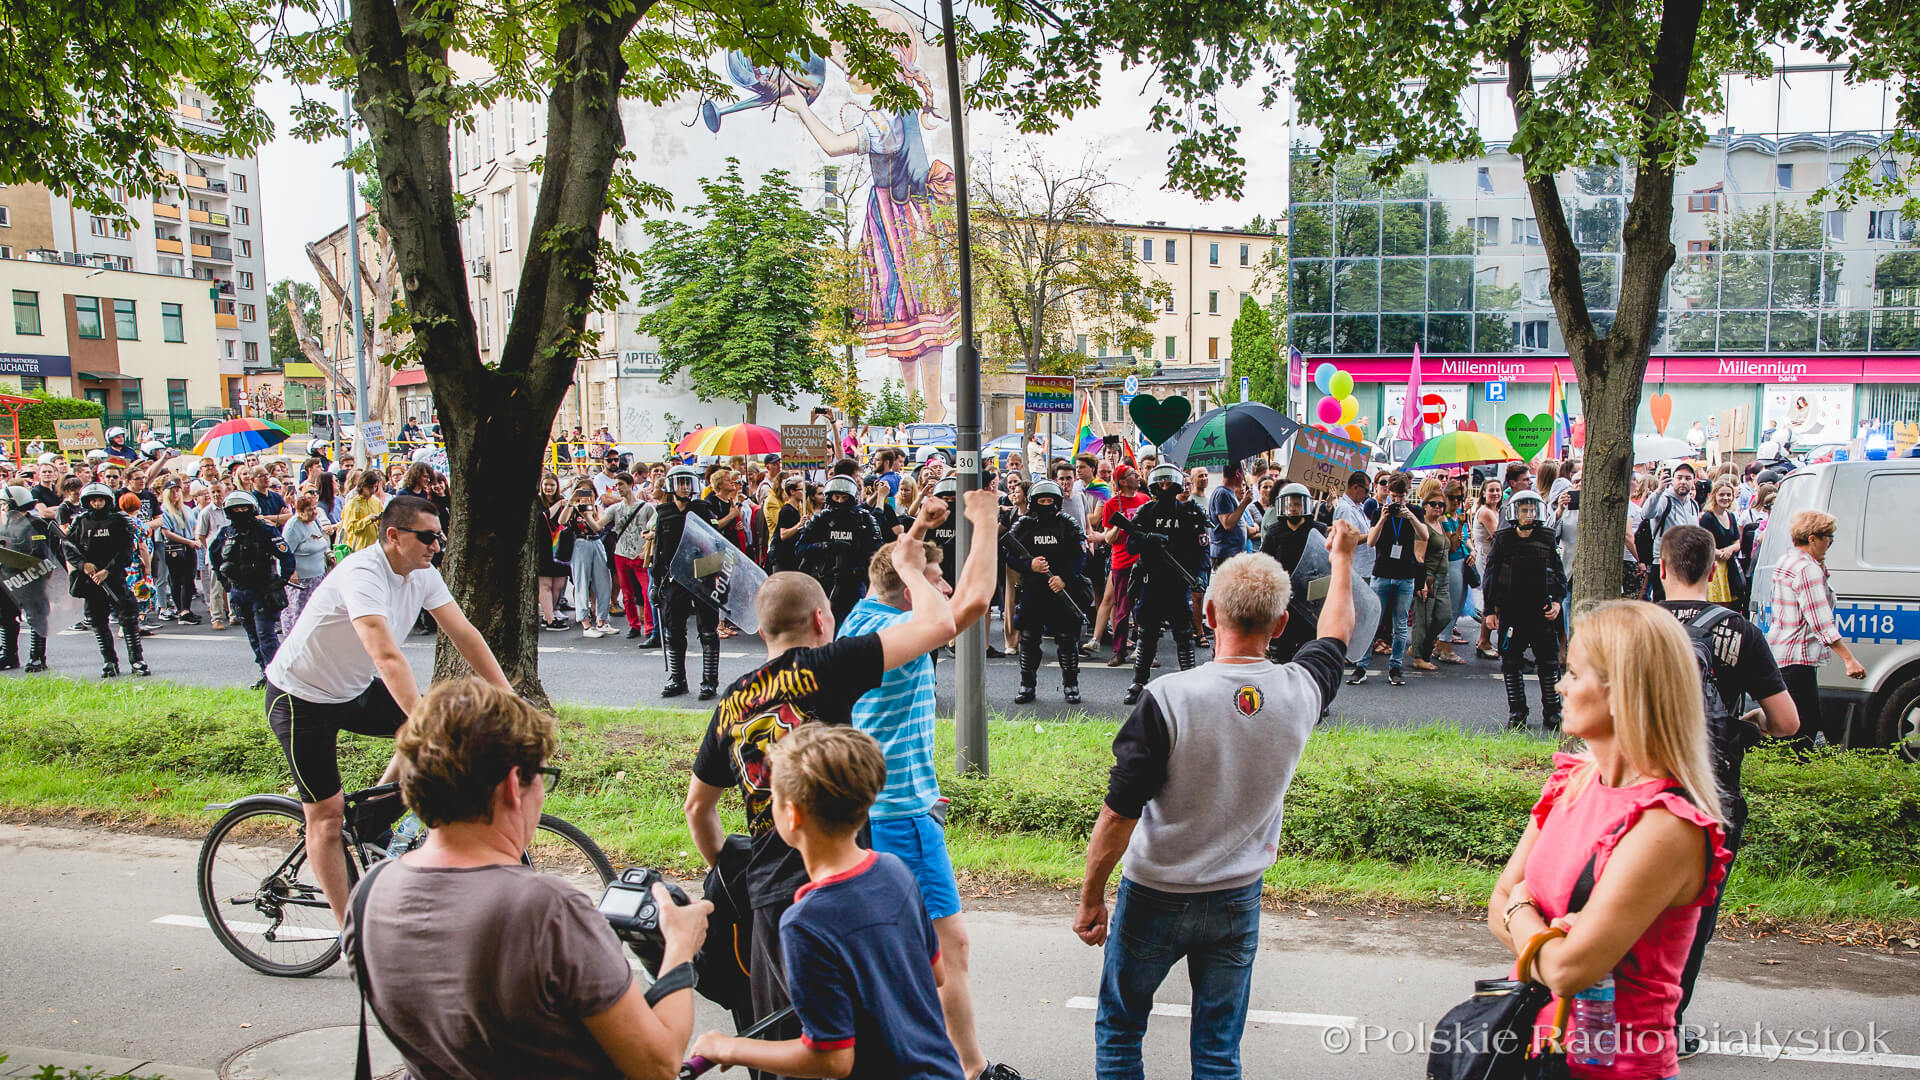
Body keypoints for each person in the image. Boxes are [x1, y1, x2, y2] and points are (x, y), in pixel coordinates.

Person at [1076, 525, 1361, 1080]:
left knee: (1121, 1028)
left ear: (1208, 614)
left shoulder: (1168, 697)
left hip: (1154, 894)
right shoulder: (1299, 690)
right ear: (1280, 625)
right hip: (1236, 899)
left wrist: (1090, 897)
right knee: (1216, 1049)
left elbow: (1119, 814)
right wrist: (1343, 561)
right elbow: (1336, 633)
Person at [683, 504, 960, 1074]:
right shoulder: (831, 664)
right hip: (838, 875)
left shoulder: (731, 702)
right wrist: (910, 568)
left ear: (760, 631)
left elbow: (698, 807)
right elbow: (940, 624)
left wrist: (738, 865)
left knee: (788, 1037)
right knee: (859, 1033)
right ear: (822, 620)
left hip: (767, 890)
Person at [345, 678, 712, 1079]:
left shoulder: (368, 894)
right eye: (542, 776)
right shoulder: (545, 909)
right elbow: (656, 1066)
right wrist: (679, 947)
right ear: (512, 786)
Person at [1487, 601, 1732, 1080]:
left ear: (1622, 692)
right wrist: (1547, 933)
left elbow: (1566, 970)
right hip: (1537, 1055)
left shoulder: (1668, 824)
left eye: (1573, 673)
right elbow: (1496, 903)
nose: (1558, 686)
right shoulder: (1571, 783)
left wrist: (1523, 912)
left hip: (1617, 1069)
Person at [265, 494, 511, 925]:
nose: (437, 546)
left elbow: (465, 633)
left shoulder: (423, 574)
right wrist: (420, 723)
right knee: (325, 817)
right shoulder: (363, 573)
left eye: (440, 537)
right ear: (394, 536)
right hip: (301, 700)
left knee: (442, 731)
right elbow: (386, 655)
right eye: (428, 537)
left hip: (352, 690)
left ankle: (371, 816)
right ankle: (351, 934)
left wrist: (507, 696)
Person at [840, 492, 1019, 1080]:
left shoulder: (861, 619)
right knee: (949, 950)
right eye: (929, 580)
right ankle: (970, 1069)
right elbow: (970, 602)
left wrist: (919, 527)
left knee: (902, 950)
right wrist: (987, 520)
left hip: (878, 812)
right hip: (901, 819)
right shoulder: (900, 631)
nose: (939, 589)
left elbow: (905, 571)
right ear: (907, 589)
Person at [690, 724, 965, 1080]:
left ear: (792, 814)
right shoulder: (895, 872)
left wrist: (730, 1047)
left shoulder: (804, 922)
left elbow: (831, 1059)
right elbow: (934, 973)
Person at [1653, 526, 1797, 1051]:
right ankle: (1666, 1025)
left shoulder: (1638, 627)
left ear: (1661, 567)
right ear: (1713, 572)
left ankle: (1617, 1011)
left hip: (1640, 794)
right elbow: (1787, 722)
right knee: (1694, 915)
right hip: (1712, 799)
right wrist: (1747, 722)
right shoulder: (1739, 631)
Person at [1765, 510, 1866, 751]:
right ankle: (1798, 778)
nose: (1830, 542)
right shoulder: (1806, 570)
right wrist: (1849, 659)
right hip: (1798, 657)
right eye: (1828, 536)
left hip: (1782, 652)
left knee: (1792, 724)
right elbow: (1820, 620)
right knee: (1804, 729)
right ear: (1813, 538)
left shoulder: (1789, 560)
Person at [1121, 464, 1210, 706]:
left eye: (1168, 483)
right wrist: (1149, 539)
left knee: (1183, 632)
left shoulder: (1191, 512)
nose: (1164, 487)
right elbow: (1131, 544)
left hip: (1178, 582)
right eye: (1160, 483)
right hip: (1151, 581)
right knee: (1147, 633)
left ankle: (1188, 681)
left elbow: (1202, 550)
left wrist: (1200, 575)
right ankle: (1139, 681)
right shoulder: (1146, 511)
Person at [1485, 490, 1566, 730]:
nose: (1529, 515)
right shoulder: (1502, 539)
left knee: (1549, 664)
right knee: (1510, 663)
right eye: (1524, 510)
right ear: (1514, 513)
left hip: (1541, 612)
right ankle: (1517, 712)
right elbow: (1490, 575)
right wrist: (1490, 610)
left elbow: (1559, 575)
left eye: (1532, 510)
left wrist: (1558, 602)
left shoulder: (1548, 537)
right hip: (1511, 612)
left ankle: (1553, 712)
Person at [1007, 479, 1090, 704]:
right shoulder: (1024, 525)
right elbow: (1008, 554)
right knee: (1029, 639)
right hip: (1033, 590)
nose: (1046, 504)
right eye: (1042, 500)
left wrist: (1065, 578)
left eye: (1050, 500)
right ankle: (1027, 685)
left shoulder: (1068, 524)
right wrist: (1029, 565)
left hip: (1062, 590)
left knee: (1067, 640)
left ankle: (1071, 685)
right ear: (1034, 501)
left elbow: (1081, 555)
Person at [209, 491, 296, 688]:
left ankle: (278, 677)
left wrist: (282, 580)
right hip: (239, 593)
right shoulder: (226, 533)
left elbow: (286, 555)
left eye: (244, 508)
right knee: (253, 636)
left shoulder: (264, 530)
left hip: (263, 591)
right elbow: (214, 556)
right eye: (236, 509)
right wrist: (225, 582)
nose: (240, 511)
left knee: (266, 635)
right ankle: (265, 674)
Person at [62, 482, 149, 678]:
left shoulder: (118, 521)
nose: (97, 503)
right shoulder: (80, 522)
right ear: (87, 502)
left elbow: (126, 549)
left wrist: (108, 571)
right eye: (93, 500)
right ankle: (109, 661)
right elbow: (68, 547)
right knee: (97, 621)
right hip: (91, 580)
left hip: (114, 577)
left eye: (101, 499)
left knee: (128, 617)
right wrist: (83, 565)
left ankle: (137, 660)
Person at [1349, 473, 1427, 687]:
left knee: (1400, 624)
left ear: (1407, 495)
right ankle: (1361, 666)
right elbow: (1371, 541)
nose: (1397, 501)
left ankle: (1395, 666)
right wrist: (1383, 518)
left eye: (1401, 497)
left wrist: (1409, 515)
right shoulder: (1377, 512)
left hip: (1405, 575)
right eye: (1393, 496)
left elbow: (1425, 536)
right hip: (1381, 573)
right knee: (1372, 620)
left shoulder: (1415, 511)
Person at [653, 463, 723, 698]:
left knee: (708, 632)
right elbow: (658, 550)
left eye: (687, 482)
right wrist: (655, 582)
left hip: (702, 577)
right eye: (680, 482)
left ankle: (709, 682)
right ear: (672, 486)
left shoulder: (704, 509)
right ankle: (677, 678)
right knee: (673, 630)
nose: (684, 487)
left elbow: (717, 544)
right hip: (675, 579)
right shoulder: (663, 513)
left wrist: (715, 577)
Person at [797, 474, 885, 626]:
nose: (839, 501)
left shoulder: (864, 520)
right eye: (836, 496)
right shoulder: (820, 520)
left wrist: (858, 569)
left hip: (853, 582)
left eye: (843, 497)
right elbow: (800, 549)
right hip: (825, 580)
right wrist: (825, 546)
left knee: (852, 626)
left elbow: (876, 551)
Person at [0, 485, 58, 673]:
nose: (1, 508)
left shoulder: (35, 524)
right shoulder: (4, 525)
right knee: (5, 616)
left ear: (13, 504)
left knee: (36, 617)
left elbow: (40, 553)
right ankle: (8, 655)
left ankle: (37, 657)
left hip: (30, 578)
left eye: (3, 504)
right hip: (6, 578)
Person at [1098, 466, 1150, 666]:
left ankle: (1146, 649)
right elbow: (1109, 539)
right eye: (1132, 475)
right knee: (1122, 609)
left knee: (1144, 608)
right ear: (1122, 481)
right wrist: (1119, 525)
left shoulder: (1145, 501)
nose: (1137, 477)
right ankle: (1119, 651)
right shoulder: (1111, 504)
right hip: (1122, 561)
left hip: (1143, 560)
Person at [606, 472, 658, 644]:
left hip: (640, 555)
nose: (618, 488)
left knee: (646, 592)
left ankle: (650, 627)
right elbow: (598, 525)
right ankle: (634, 625)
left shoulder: (646, 508)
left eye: (621, 484)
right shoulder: (615, 508)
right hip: (621, 554)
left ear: (630, 484)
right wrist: (585, 512)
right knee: (627, 593)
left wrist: (647, 550)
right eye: (617, 485)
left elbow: (655, 529)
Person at [1408, 485, 1455, 672]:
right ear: (1425, 505)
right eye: (1433, 504)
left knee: (1444, 615)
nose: (1438, 507)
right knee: (1424, 619)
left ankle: (1420, 647)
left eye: (1441, 505)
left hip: (1443, 577)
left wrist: (1459, 522)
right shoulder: (1423, 526)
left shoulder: (1441, 524)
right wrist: (1421, 582)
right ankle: (1419, 656)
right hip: (1428, 577)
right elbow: (1418, 555)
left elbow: (1452, 546)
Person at [1641, 462, 1699, 601]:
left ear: (1693, 481)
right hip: (1664, 562)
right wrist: (1659, 491)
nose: (1683, 482)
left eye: (1687, 478)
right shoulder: (1664, 500)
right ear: (1673, 479)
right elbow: (1647, 513)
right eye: (1679, 478)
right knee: (1663, 604)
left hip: (1686, 562)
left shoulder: (1693, 505)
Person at [280, 494, 332, 636]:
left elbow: (319, 541)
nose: (314, 512)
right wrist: (291, 572)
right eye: (310, 510)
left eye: (315, 508)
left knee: (315, 610)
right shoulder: (293, 526)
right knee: (297, 611)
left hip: (317, 575)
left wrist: (328, 555)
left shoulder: (314, 522)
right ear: (300, 511)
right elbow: (285, 553)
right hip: (301, 580)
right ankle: (294, 639)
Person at [155, 479, 202, 624]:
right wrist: (188, 541)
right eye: (172, 491)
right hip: (174, 548)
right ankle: (181, 610)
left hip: (190, 546)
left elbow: (194, 526)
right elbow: (166, 532)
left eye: (177, 490)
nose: (175, 494)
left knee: (189, 579)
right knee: (176, 580)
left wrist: (195, 539)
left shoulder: (186, 509)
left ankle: (186, 610)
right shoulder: (164, 510)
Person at [1697, 476, 1743, 606]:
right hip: (1714, 567)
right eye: (1721, 494)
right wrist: (1720, 554)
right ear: (1714, 496)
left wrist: (1729, 550)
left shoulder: (1731, 516)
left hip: (1730, 567)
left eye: (1729, 495)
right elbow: (1704, 544)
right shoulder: (1708, 517)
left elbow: (1737, 542)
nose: (1725, 498)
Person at [340, 469, 386, 552]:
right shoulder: (353, 504)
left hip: (375, 548)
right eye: (369, 487)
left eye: (375, 487)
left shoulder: (376, 502)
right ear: (362, 486)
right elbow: (350, 529)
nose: (372, 490)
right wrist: (368, 520)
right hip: (359, 549)